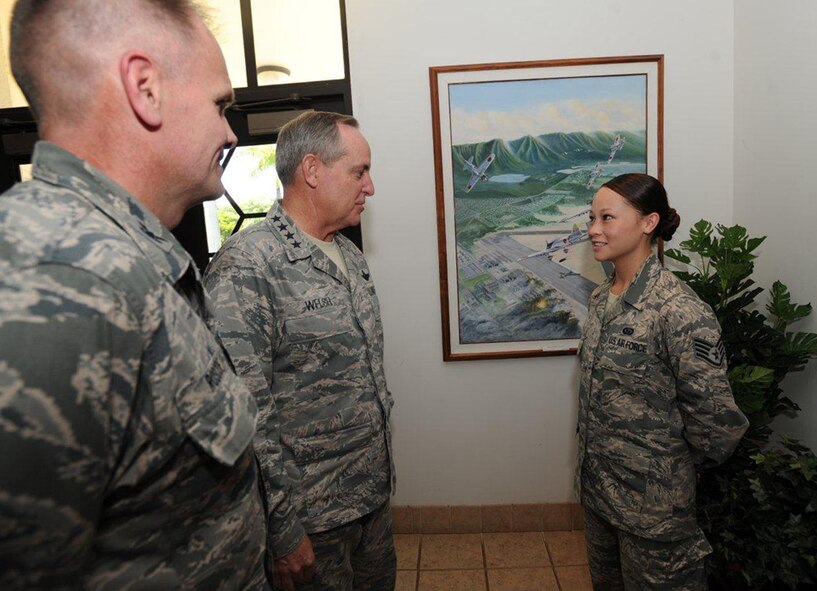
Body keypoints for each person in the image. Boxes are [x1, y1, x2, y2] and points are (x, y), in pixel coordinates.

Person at [0, 1, 269, 589]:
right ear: (145, 89)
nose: (230, 131)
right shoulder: (59, 284)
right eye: (220, 104)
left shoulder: (121, 254)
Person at [203, 111, 396, 591]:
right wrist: (283, 530)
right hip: (310, 520)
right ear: (312, 170)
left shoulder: (348, 254)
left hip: (370, 498)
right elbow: (247, 417)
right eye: (359, 171)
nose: (370, 187)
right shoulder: (248, 268)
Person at [576, 173, 749, 589]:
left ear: (648, 223)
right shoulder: (603, 298)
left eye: (607, 218)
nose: (593, 230)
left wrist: (669, 474)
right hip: (600, 495)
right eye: (591, 218)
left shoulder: (679, 310)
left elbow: (718, 425)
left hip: (654, 513)